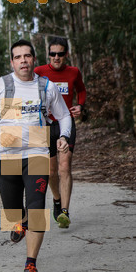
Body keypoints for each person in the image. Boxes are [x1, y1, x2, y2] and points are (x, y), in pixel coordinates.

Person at [0, 40, 72, 272]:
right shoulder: (2, 85)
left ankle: (31, 263)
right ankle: (21, 220)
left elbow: (63, 115)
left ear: (33, 59)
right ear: (12, 62)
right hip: (7, 155)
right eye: (18, 57)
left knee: (37, 208)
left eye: (27, 56)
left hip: (37, 153)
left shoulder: (46, 87)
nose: (23, 61)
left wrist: (63, 136)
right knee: (13, 211)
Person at [34, 37, 86, 228]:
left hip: (66, 124)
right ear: (48, 54)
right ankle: (56, 199)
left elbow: (81, 91)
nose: (56, 57)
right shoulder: (39, 72)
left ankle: (64, 211)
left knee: (65, 167)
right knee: (51, 171)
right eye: (53, 53)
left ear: (66, 55)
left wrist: (80, 105)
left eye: (60, 54)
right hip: (46, 125)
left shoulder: (73, 72)